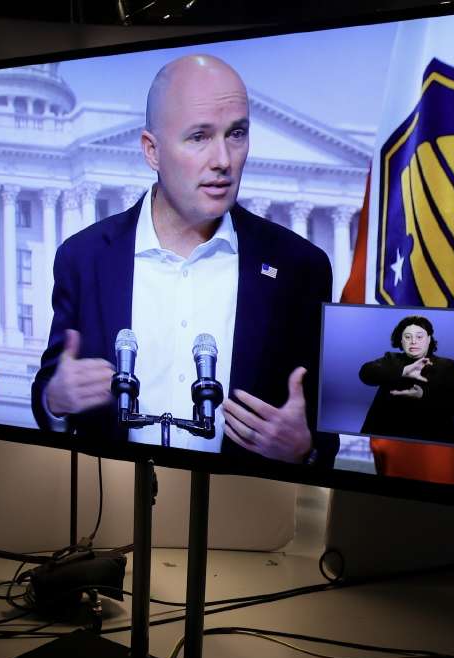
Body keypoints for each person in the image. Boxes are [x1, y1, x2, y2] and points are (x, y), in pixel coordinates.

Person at [30, 54, 338, 468]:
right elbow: (51, 388)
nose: (224, 161)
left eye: (237, 134)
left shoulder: (300, 268)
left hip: (244, 520)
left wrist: (305, 450)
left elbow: (320, 432)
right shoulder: (84, 258)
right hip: (112, 514)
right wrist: (56, 399)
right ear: (152, 151)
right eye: (198, 137)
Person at [359, 315, 454, 445]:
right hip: (387, 438)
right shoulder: (391, 359)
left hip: (432, 440)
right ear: (401, 341)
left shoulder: (446, 365)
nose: (413, 341)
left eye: (419, 337)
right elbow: (365, 373)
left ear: (429, 339)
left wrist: (423, 395)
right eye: (407, 337)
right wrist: (403, 371)